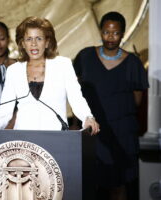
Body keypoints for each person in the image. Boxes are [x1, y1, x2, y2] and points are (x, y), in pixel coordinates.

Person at [0, 16, 99, 134]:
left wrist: (88, 117)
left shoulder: (63, 65)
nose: (33, 44)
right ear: (22, 44)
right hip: (23, 142)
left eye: (39, 38)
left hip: (56, 139)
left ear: (47, 42)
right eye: (29, 39)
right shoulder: (14, 71)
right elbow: (4, 112)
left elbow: (77, 99)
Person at [73, 12, 149, 200]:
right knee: (89, 185)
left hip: (121, 135)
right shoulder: (85, 56)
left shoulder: (133, 63)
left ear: (123, 33)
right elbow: (75, 92)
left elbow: (137, 101)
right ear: (101, 31)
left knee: (118, 185)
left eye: (115, 33)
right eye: (106, 32)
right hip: (92, 132)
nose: (110, 37)